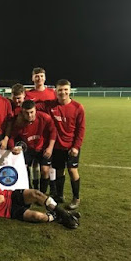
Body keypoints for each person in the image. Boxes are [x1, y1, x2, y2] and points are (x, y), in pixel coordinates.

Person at [0, 167, 80, 229]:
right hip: (9, 211)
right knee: (38, 216)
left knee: (36, 194)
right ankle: (58, 217)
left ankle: (63, 214)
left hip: (12, 196)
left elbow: (1, 198)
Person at [36, 79, 85, 209]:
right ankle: (59, 195)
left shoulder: (78, 107)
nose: (63, 92)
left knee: (72, 170)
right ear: (55, 91)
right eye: (60, 90)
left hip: (71, 147)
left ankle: (76, 198)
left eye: (65, 90)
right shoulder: (50, 105)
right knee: (59, 170)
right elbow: (33, 106)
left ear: (70, 90)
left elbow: (81, 129)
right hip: (56, 146)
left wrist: (76, 147)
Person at [8, 100, 56, 194]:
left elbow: (53, 132)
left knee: (45, 170)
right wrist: (12, 147)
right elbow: (11, 137)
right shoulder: (19, 123)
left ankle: (42, 193)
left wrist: (50, 148)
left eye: (32, 112)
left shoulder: (45, 118)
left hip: (43, 147)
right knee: (23, 168)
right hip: (28, 149)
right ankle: (28, 190)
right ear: (22, 112)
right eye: (27, 113)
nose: (30, 115)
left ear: (35, 110)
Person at [25, 67, 57, 192]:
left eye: (41, 76)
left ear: (45, 77)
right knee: (35, 164)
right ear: (32, 78)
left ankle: (53, 189)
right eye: (36, 76)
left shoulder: (52, 93)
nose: (39, 78)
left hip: (49, 131)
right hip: (33, 132)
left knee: (50, 164)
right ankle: (36, 187)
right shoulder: (28, 94)